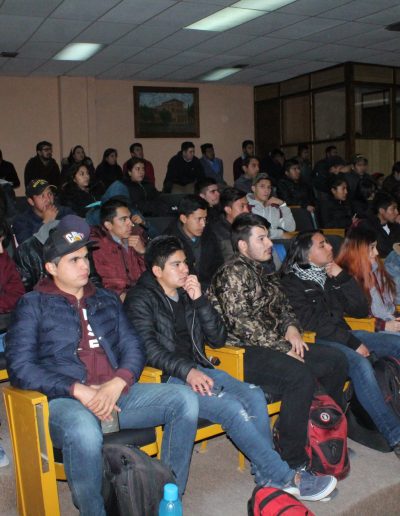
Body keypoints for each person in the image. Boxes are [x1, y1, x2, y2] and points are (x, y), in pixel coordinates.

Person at [5, 217, 203, 511]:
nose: (85, 265)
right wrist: (77, 389)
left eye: (85, 257)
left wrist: (118, 381)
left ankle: (165, 497)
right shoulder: (33, 304)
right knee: (84, 431)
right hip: (65, 401)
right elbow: (20, 366)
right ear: (51, 268)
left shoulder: (106, 299)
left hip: (116, 395)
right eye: (74, 260)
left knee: (185, 399)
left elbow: (133, 346)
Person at [124, 235, 337, 502]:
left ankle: (267, 476)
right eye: (176, 265)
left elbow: (217, 339)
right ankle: (284, 477)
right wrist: (187, 372)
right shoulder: (140, 299)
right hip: (167, 379)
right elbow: (149, 351)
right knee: (232, 409)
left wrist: (200, 301)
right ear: (157, 271)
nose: (185, 269)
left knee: (253, 395)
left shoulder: (188, 292)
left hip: (199, 368)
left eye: (185, 263)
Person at [209, 214, 348, 470]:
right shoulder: (232, 273)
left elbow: (285, 308)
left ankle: (322, 432)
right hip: (241, 351)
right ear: (243, 245)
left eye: (267, 237)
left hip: (272, 344)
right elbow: (242, 325)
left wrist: (292, 329)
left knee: (336, 361)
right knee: (299, 376)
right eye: (261, 239)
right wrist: (284, 348)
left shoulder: (266, 271)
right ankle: (292, 458)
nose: (269, 243)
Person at [280, 230, 400, 456]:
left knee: (397, 343)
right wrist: (353, 343)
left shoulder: (328, 275)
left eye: (328, 243)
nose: (330, 247)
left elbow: (360, 310)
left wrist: (342, 277)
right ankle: (395, 436)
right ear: (306, 254)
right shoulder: (292, 283)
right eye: (322, 245)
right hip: (318, 341)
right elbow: (313, 324)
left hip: (344, 334)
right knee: (360, 365)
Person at [336, 225, 400, 333]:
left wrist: (396, 319)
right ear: (358, 251)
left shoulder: (376, 269)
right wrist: (384, 326)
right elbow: (354, 317)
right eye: (372, 248)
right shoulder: (346, 280)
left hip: (390, 322)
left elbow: (389, 306)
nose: (376, 252)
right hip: (371, 330)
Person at [90, 198, 146, 301]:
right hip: (114, 299)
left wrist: (142, 252)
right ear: (108, 225)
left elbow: (151, 274)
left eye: (129, 218)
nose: (130, 223)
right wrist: (119, 295)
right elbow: (103, 281)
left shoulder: (137, 236)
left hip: (141, 295)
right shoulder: (98, 246)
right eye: (124, 219)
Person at [163, 195, 223, 289]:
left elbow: (219, 264)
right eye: (199, 219)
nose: (203, 224)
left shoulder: (209, 234)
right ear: (184, 219)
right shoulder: (168, 240)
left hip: (210, 288)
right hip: (183, 290)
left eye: (205, 219)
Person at [13, 179, 73, 244]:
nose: (48, 199)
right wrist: (46, 223)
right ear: (31, 201)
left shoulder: (65, 212)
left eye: (50, 194)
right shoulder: (21, 221)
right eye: (42, 196)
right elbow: (28, 247)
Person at [247, 174, 295, 239]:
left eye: (269, 187)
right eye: (262, 186)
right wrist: (280, 234)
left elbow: (291, 228)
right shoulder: (246, 206)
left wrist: (283, 205)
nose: (266, 190)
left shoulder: (274, 208)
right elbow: (253, 231)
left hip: (275, 243)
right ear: (253, 188)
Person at [208, 187, 249, 262]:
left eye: (247, 206)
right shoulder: (216, 232)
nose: (247, 211)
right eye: (242, 206)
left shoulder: (250, 225)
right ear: (228, 210)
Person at [361, 192, 400, 258]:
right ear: (382, 211)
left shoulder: (394, 225)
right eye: (393, 209)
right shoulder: (369, 226)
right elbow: (385, 249)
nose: (397, 212)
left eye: (397, 208)